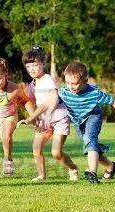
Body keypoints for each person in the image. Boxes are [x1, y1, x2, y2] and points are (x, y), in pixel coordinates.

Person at [56, 61, 115, 183]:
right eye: (67, 82)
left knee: (89, 140)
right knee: (91, 146)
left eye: (74, 83)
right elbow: (51, 103)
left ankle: (92, 173)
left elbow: (114, 102)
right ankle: (111, 167)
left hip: (93, 116)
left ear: (85, 81)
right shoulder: (63, 91)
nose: (70, 86)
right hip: (79, 122)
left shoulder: (94, 93)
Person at [17, 47, 78, 182]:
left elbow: (54, 99)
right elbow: (32, 104)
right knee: (36, 148)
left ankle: (72, 168)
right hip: (45, 120)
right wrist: (34, 119)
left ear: (43, 64)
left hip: (58, 118)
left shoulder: (47, 79)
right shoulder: (32, 85)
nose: (31, 69)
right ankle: (41, 175)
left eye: (35, 65)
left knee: (56, 153)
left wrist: (41, 116)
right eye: (28, 66)